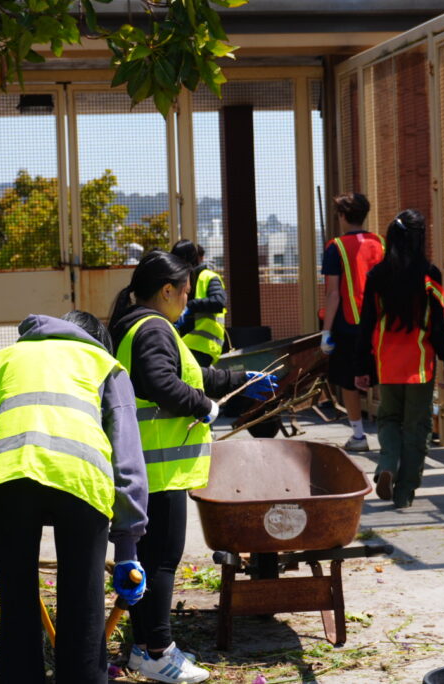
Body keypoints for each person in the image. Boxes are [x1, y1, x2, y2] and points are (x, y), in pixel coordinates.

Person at [0, 311, 150, 683]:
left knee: (17, 613)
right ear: (95, 341)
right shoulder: (105, 365)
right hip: (80, 482)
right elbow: (128, 461)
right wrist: (128, 548)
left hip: (7, 484)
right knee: (84, 616)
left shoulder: (7, 359)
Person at [108, 250, 276, 683]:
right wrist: (203, 407)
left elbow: (194, 376)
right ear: (166, 291)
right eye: (183, 293)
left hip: (144, 468)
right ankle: (159, 650)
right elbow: (161, 383)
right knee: (162, 561)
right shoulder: (153, 329)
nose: (186, 301)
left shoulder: (138, 326)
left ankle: (146, 648)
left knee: (148, 561)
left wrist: (243, 382)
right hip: (157, 470)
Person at [355, 210, 444, 509]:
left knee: (387, 418)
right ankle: (405, 491)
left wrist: (362, 366)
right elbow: (438, 324)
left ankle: (387, 464)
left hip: (386, 361)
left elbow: (367, 322)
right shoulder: (429, 274)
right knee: (417, 426)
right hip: (419, 362)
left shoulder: (377, 275)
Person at [321, 192, 384, 451]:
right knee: (382, 377)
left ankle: (358, 435)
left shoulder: (335, 247)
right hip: (380, 323)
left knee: (348, 381)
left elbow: (333, 293)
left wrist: (326, 332)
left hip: (349, 323)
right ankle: (392, 434)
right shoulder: (381, 242)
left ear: (343, 216)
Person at [170, 240, 227, 368]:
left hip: (204, 346)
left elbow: (219, 301)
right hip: (186, 345)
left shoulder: (208, 276)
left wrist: (190, 306)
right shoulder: (183, 280)